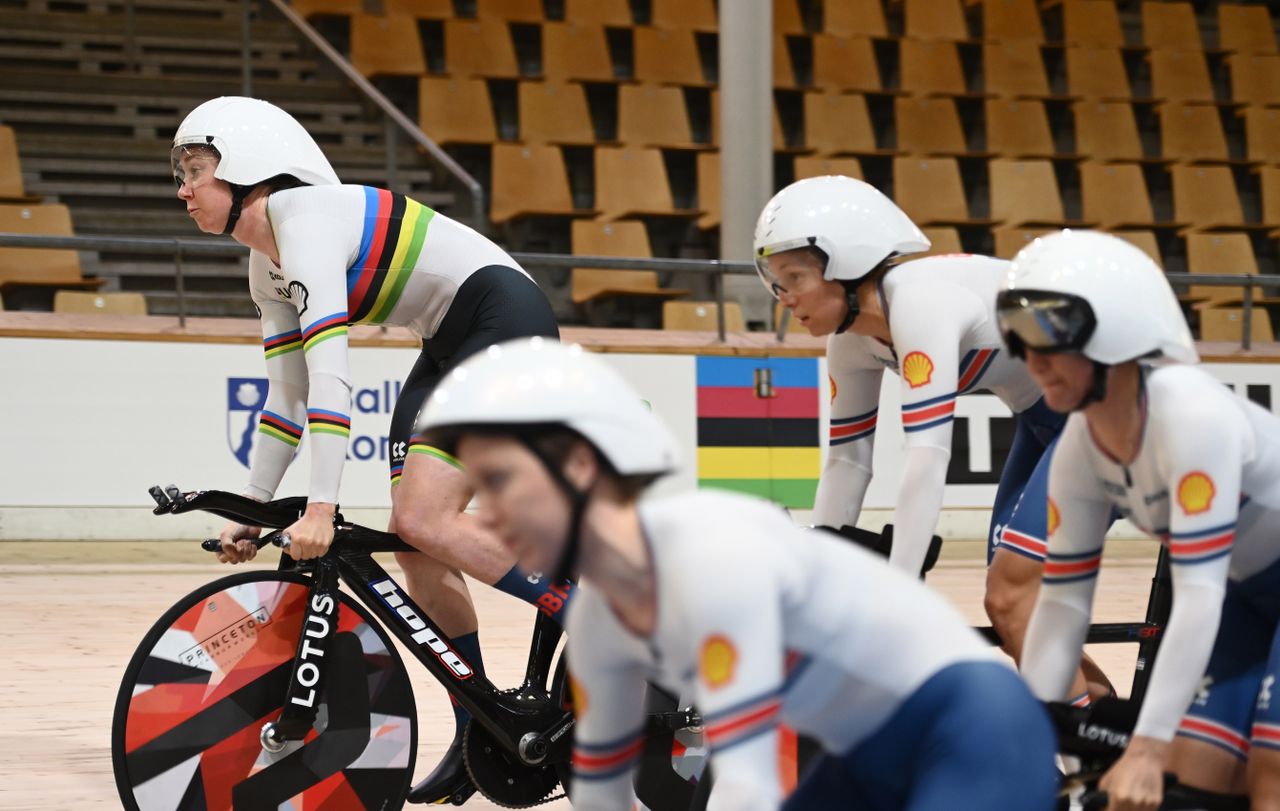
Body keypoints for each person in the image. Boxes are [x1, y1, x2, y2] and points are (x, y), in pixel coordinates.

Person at [413, 337, 1060, 810]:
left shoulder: (709, 554)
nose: (487, 511)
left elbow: (752, 779)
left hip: (970, 727)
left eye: (501, 481)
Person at [170, 96, 573, 803]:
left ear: (249, 170)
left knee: (421, 518)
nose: (183, 189)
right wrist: (254, 508)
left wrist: (322, 503)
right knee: (415, 542)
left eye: (195, 170)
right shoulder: (265, 269)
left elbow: (332, 376)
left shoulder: (307, 221)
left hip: (501, 316)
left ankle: (577, 603)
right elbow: (288, 398)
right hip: (449, 341)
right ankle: (479, 728)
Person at [754, 174, 1109, 703]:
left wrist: (899, 600)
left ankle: (1086, 770)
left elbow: (926, 457)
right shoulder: (851, 344)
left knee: (1012, 596)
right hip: (1047, 421)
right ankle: (1107, 749)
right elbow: (848, 465)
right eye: (774, 282)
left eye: (794, 277)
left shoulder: (922, 304)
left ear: (847, 262)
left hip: (1108, 419)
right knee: (1015, 613)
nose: (783, 297)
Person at [1004, 230, 1280, 810]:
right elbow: (1062, 604)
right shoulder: (1080, 445)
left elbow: (1198, 597)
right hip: (1242, 594)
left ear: (1118, 335)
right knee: (1196, 781)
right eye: (1019, 341)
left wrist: (1147, 749)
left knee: (1270, 772)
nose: (1033, 363)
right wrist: (1024, 743)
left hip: (1223, 592)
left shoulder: (1190, 411)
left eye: (1049, 337)